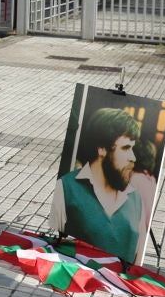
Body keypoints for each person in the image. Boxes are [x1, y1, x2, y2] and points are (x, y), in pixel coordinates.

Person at [50, 107, 144, 264]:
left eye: (132, 148)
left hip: (118, 285)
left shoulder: (135, 198)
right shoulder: (67, 188)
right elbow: (56, 243)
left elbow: (135, 258)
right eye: (126, 148)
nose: (133, 157)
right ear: (102, 148)